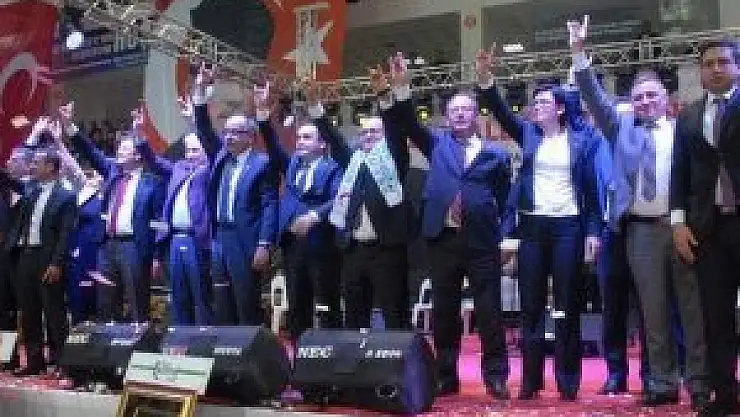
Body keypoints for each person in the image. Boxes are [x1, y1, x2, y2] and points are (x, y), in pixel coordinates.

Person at [569, 16, 709, 408]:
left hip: (682, 230)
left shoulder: (685, 128)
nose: (645, 102)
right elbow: (594, 97)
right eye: (638, 97)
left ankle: (699, 383)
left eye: (651, 95)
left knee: (692, 311)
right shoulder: (621, 129)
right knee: (653, 312)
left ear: (666, 97)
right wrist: (579, 53)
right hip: (640, 233)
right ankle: (662, 383)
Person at [475, 47, 600, 401]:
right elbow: (500, 110)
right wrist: (486, 78)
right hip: (532, 228)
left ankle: (567, 379)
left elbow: (591, 192)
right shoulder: (529, 134)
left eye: (544, 102)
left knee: (566, 305)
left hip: (568, 228)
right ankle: (531, 381)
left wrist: (593, 231)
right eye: (535, 102)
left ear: (560, 108)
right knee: (530, 306)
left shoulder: (582, 140)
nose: (536, 106)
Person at [385, 52, 512, 399]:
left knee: (489, 311)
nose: (459, 114)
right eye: (453, 110)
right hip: (442, 239)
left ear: (476, 114)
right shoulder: (436, 143)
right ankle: (445, 375)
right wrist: (402, 87)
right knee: (444, 311)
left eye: (466, 109)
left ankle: (496, 376)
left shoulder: (496, 154)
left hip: (482, 241)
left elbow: (504, 199)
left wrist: (502, 234)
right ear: (446, 116)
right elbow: (409, 122)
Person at [311, 70, 414, 331]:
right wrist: (315, 108)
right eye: (364, 133)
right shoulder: (354, 162)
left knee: (394, 314)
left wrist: (384, 96)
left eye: (374, 132)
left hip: (386, 249)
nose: (368, 136)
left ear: (385, 136)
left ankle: (397, 357)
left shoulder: (394, 159)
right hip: (353, 248)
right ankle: (355, 357)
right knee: (355, 316)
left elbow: (396, 132)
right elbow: (334, 140)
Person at [670, 39, 740, 417]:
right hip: (707, 230)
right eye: (708, 63)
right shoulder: (688, 116)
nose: (715, 68)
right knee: (716, 317)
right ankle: (725, 395)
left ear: (737, 67)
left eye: (723, 62)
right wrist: (678, 224)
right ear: (700, 71)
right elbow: (678, 173)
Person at [253, 82, 343, 340]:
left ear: (322, 144)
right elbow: (272, 143)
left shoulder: (334, 167)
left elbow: (338, 199)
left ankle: (330, 352)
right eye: (299, 137)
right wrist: (263, 114)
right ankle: (299, 352)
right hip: (293, 245)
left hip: (322, 244)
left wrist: (315, 216)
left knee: (325, 303)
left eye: (307, 138)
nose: (300, 142)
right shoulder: (293, 163)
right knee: (296, 303)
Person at [191, 64, 278, 325]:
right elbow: (204, 128)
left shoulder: (262, 163)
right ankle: (226, 345)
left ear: (250, 137)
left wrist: (264, 244)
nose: (228, 137)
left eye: (235, 132)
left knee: (246, 301)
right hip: (220, 237)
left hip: (246, 239)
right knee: (222, 302)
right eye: (226, 132)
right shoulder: (221, 158)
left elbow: (270, 205)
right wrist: (201, 91)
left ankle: (251, 347)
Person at [62, 103, 164, 323]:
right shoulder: (112, 172)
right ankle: (109, 342)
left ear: (138, 155)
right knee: (106, 301)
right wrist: (69, 126)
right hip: (107, 245)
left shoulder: (153, 183)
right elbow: (90, 151)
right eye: (119, 148)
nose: (119, 151)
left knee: (137, 300)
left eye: (125, 149)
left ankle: (140, 340)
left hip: (134, 246)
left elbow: (158, 222)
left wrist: (157, 256)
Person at [134, 102, 214, 325]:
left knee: (201, 295)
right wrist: (140, 134)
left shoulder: (210, 169)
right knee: (178, 296)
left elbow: (212, 146)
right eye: (188, 150)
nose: (190, 155)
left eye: (195, 150)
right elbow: (153, 160)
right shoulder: (179, 167)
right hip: (174, 240)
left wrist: (193, 121)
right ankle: (181, 338)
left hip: (197, 239)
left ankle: (205, 338)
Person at [0, 148, 76, 376]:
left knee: (54, 312)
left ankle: (63, 362)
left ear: (50, 167)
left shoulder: (66, 197)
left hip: (47, 257)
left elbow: (65, 234)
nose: (32, 166)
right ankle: (34, 362)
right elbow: (8, 179)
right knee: (29, 310)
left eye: (37, 162)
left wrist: (57, 263)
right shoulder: (30, 190)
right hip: (25, 255)